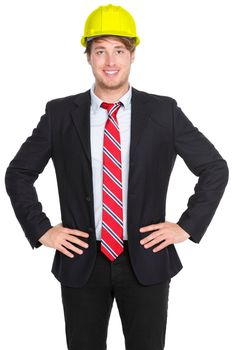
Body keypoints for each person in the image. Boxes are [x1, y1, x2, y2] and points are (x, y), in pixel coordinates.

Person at [5, 4, 229, 350]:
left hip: (146, 257)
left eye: (119, 51)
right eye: (101, 51)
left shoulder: (163, 112)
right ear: (89, 57)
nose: (110, 62)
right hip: (81, 258)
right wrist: (42, 230)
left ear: (132, 55)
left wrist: (186, 226)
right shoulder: (60, 114)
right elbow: (18, 173)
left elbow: (215, 168)